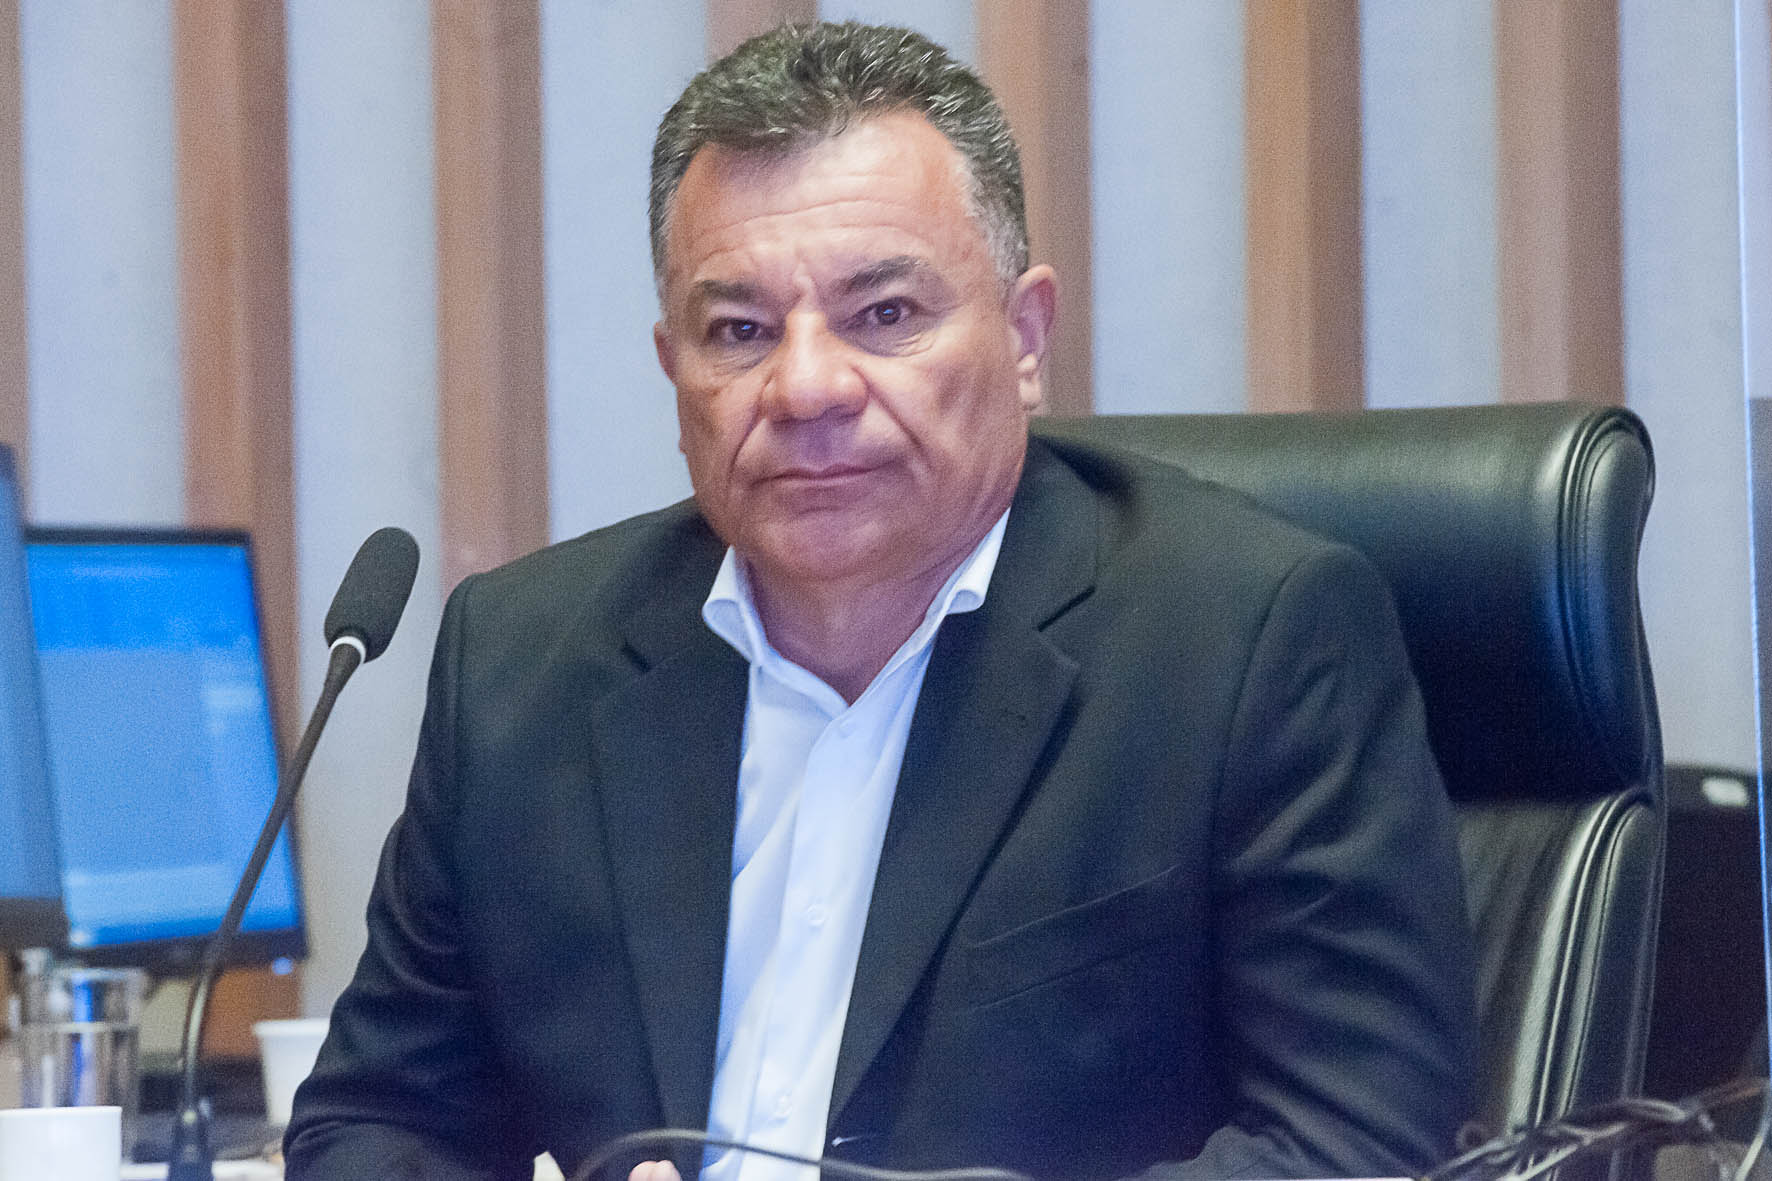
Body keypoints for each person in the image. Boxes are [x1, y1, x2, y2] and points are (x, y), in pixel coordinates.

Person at [285, 21, 1476, 1181]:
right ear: (673, 368)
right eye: (739, 329)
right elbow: (377, 1120)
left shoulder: (1245, 640)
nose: (805, 385)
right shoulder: (519, 665)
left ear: (1024, 336)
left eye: (885, 315)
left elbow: (1357, 1138)